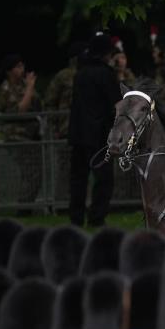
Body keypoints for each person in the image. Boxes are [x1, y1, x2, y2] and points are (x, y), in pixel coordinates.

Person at [68, 33, 121, 227]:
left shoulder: (80, 73)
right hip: (98, 135)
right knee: (104, 179)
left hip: (78, 134)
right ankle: (96, 217)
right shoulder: (106, 74)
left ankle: (76, 217)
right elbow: (115, 105)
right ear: (106, 53)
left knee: (78, 180)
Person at [0, 53, 39, 142]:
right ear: (9, 71)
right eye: (18, 66)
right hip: (14, 138)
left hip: (31, 136)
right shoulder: (5, 88)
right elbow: (21, 110)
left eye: (22, 65)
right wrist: (30, 87)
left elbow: (38, 105)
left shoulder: (25, 84)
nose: (22, 69)